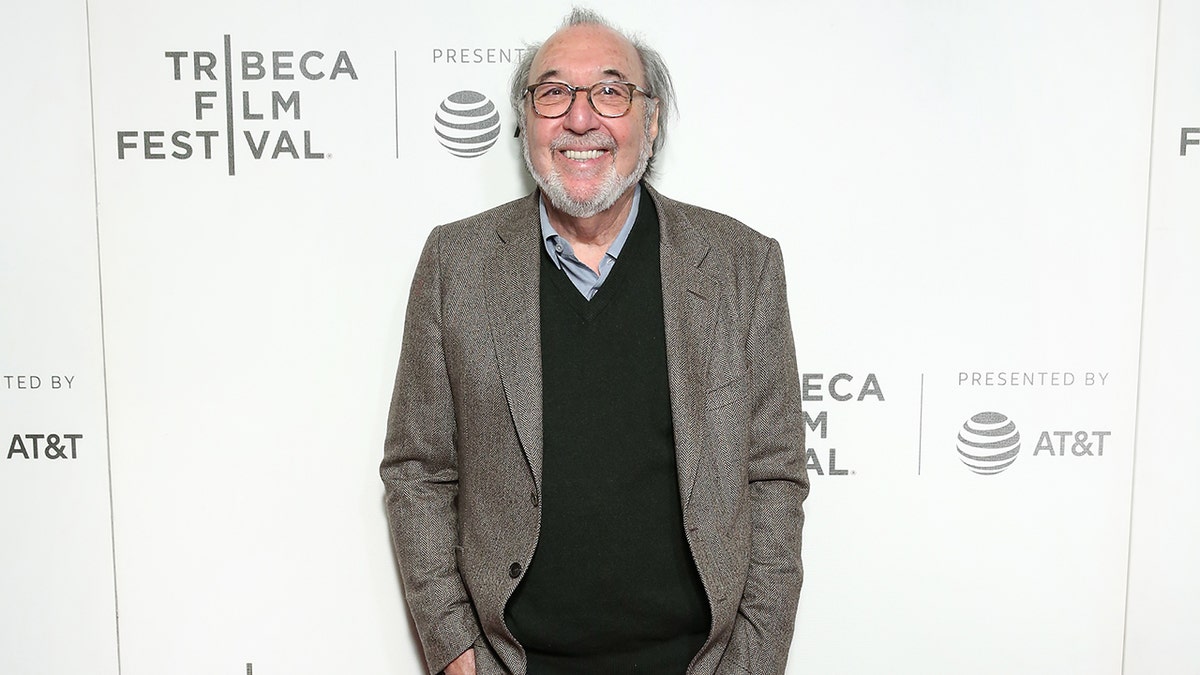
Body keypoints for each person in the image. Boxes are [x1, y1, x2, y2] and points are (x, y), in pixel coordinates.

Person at [382, 8, 808, 674]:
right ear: (526, 120)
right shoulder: (454, 263)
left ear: (652, 119)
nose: (581, 118)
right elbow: (419, 470)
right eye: (554, 93)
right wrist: (457, 655)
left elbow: (774, 477)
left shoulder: (740, 266)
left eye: (611, 91)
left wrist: (752, 662)